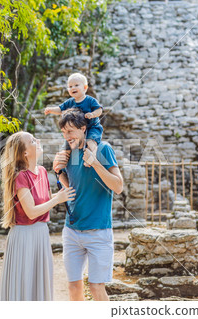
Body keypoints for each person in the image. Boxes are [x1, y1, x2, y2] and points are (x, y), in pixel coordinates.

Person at [52, 109, 124, 301]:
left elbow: (118, 186)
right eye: (64, 132)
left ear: (83, 128)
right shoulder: (67, 151)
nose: (67, 136)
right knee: (74, 286)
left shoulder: (103, 149)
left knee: (96, 287)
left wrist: (95, 163)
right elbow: (72, 189)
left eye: (71, 131)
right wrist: (58, 172)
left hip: (98, 232)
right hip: (72, 231)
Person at [0, 131, 76, 301]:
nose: (38, 140)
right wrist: (58, 200)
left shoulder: (41, 171)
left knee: (37, 284)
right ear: (25, 152)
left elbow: (46, 200)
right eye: (32, 140)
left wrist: (65, 194)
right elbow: (31, 211)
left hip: (40, 234)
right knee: (24, 284)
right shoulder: (21, 177)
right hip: (24, 236)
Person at [44, 73, 104, 171]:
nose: (73, 88)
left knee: (91, 142)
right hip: (76, 131)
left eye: (76, 85)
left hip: (92, 127)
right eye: (70, 86)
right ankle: (62, 164)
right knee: (66, 147)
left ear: (85, 87)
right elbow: (60, 109)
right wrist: (51, 110)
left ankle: (92, 157)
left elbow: (99, 110)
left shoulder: (90, 100)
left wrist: (92, 114)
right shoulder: (70, 102)